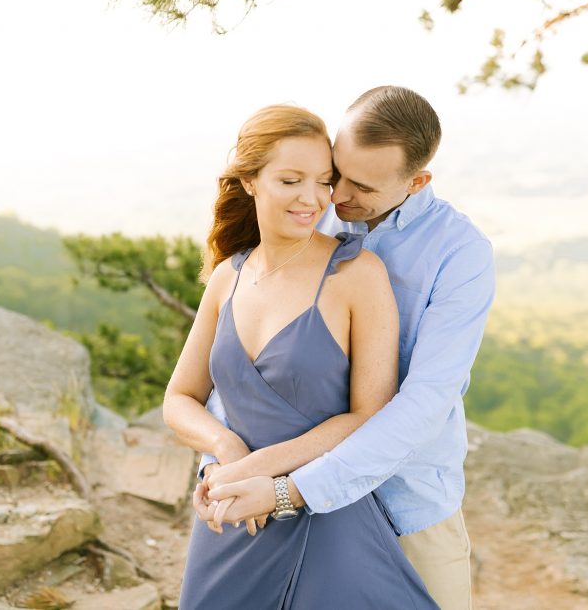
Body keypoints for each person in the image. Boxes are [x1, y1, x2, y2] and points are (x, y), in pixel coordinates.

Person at [196, 86, 496, 610]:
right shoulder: (312, 210)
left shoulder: (460, 253)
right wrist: (222, 460)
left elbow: (425, 403)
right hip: (274, 489)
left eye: (361, 186)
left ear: (416, 181)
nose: (335, 197)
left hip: (407, 500)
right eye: (337, 173)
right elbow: (242, 357)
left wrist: (291, 489)